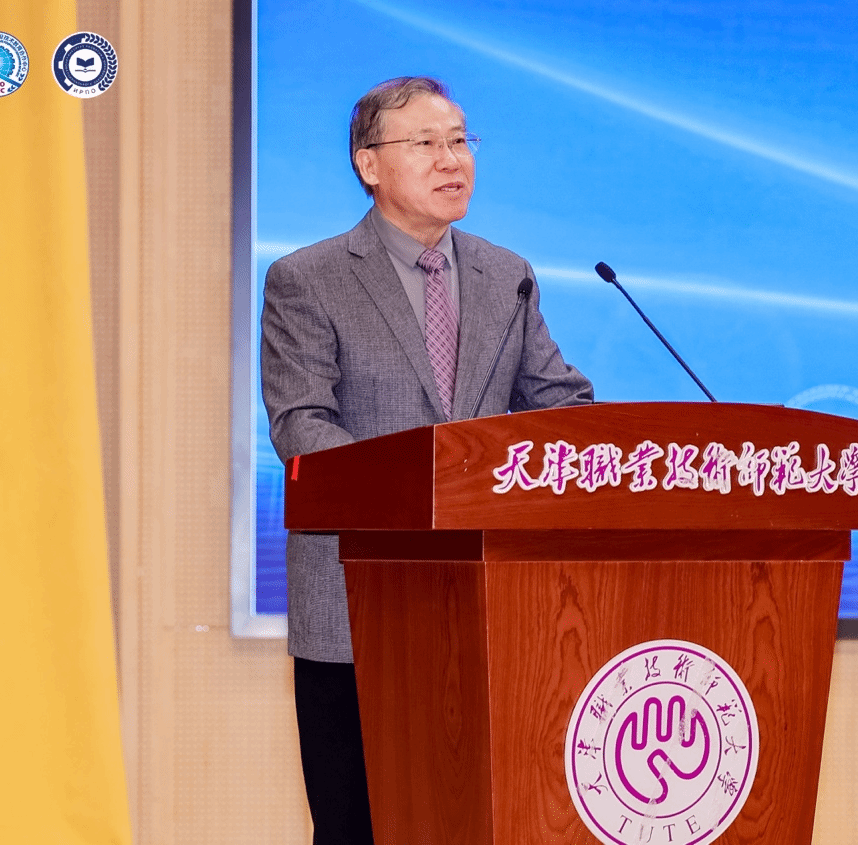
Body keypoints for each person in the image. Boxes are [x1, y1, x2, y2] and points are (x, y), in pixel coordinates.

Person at [260, 76, 593, 845]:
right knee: (358, 826)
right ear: (369, 163)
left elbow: (559, 405)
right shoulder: (308, 278)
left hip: (489, 605)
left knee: (481, 819)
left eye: (460, 141)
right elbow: (301, 424)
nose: (453, 160)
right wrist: (423, 484)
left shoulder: (506, 274)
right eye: (426, 143)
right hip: (357, 606)